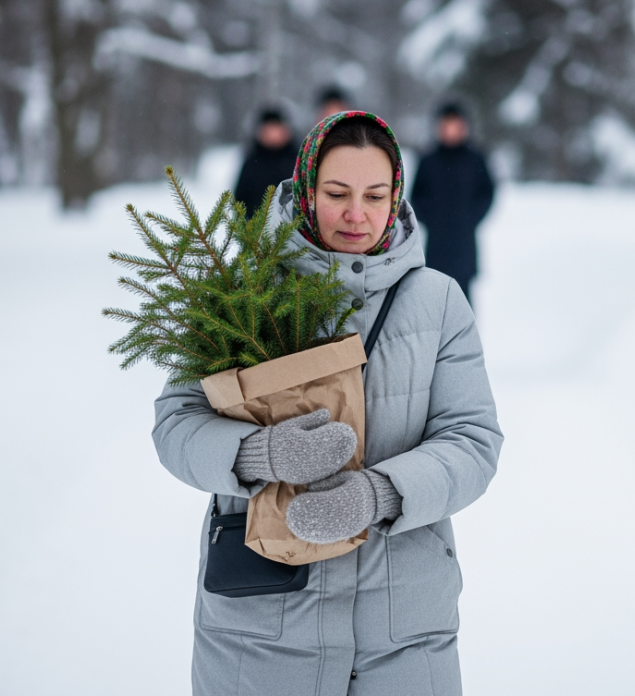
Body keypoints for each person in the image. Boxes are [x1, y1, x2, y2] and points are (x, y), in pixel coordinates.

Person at [152, 112, 503, 696]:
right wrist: (256, 456)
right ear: (307, 191)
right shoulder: (245, 290)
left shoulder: (438, 302)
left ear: (396, 197)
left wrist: (380, 493)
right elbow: (176, 424)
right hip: (261, 628)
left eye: (374, 195)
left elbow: (472, 440)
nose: (356, 214)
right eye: (337, 193)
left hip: (403, 630)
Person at [409, 102, 496, 304]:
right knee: (435, 301)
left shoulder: (475, 159)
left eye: (455, 125)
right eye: (446, 125)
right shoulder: (428, 160)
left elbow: (487, 194)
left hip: (464, 244)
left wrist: (471, 218)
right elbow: (416, 196)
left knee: (463, 303)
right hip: (437, 245)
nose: (450, 130)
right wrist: (431, 218)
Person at [233, 107, 298, 216]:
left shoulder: (296, 160)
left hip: (292, 227)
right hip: (255, 228)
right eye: (268, 129)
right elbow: (240, 199)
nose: (273, 134)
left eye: (276, 128)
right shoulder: (252, 162)